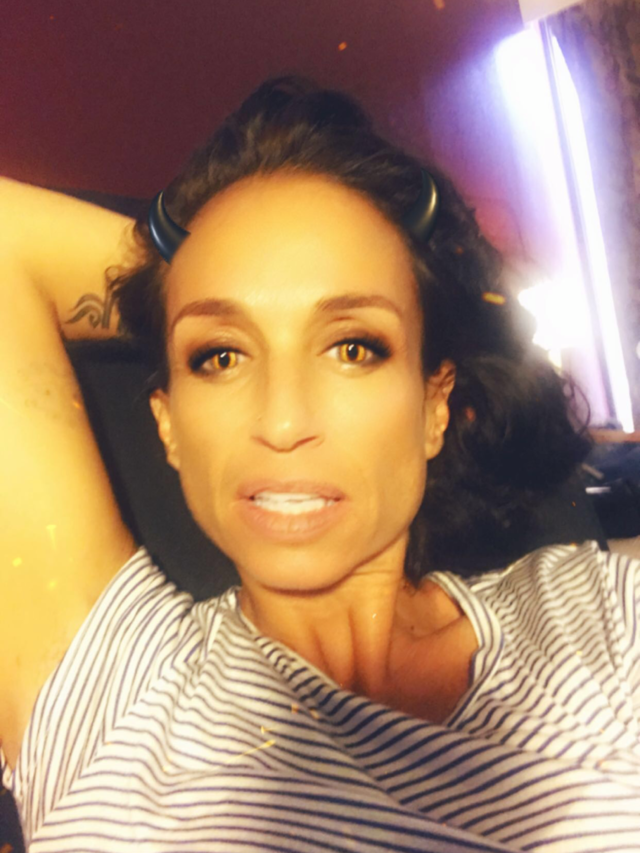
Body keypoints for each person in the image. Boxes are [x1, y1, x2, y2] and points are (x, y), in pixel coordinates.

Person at [1, 73, 639, 852]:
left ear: (434, 406)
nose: (282, 421)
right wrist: (188, 268)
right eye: (219, 354)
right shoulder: (108, 692)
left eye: (353, 347)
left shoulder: (602, 617)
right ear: (168, 425)